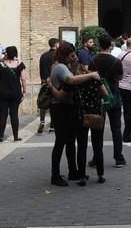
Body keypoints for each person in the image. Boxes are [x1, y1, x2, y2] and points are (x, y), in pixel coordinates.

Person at [48, 42, 100, 186]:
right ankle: (55, 175)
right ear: (65, 54)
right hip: (60, 108)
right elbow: (70, 80)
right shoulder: (60, 67)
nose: (74, 57)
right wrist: (91, 76)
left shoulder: (64, 66)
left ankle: (73, 171)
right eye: (72, 55)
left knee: (70, 140)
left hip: (67, 107)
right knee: (61, 141)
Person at [90, 33, 126, 168]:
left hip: (98, 98)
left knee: (97, 129)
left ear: (99, 44)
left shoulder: (93, 60)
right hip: (114, 97)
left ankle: (96, 157)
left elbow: (90, 76)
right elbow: (120, 77)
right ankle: (119, 158)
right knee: (116, 129)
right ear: (110, 45)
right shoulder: (116, 61)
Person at [72, 60, 108, 185]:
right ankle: (100, 175)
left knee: (81, 146)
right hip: (96, 114)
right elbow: (105, 94)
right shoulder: (95, 80)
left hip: (81, 116)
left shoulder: (75, 82)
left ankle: (82, 177)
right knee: (97, 145)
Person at [0, 46, 27, 142]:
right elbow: (23, 79)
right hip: (15, 93)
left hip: (2, 93)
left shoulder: (1, 65)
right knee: (14, 114)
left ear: (7, 54)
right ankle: (16, 136)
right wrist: (24, 91)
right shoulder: (19, 64)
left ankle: (0, 136)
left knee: (3, 114)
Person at [37, 38, 58, 134]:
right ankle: (52, 126)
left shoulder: (43, 56)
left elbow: (41, 69)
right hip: (55, 82)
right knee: (53, 104)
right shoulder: (57, 56)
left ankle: (42, 121)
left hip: (44, 81)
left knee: (43, 102)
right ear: (56, 44)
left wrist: (43, 80)